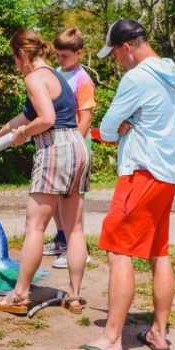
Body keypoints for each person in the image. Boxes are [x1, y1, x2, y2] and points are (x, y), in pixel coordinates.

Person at [65, 19, 175, 350]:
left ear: (126, 47)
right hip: (166, 175)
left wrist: (118, 127)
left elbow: (106, 128)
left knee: (118, 251)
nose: (116, 61)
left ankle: (111, 339)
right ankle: (159, 333)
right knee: (158, 252)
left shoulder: (136, 78)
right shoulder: (170, 71)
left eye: (115, 54)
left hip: (140, 174)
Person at [0, 29, 89, 314]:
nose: (14, 63)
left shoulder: (33, 78)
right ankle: (74, 297)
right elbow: (26, 115)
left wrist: (22, 135)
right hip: (78, 146)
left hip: (55, 149)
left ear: (23, 54)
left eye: (14, 57)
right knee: (74, 229)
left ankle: (20, 294)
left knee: (35, 227)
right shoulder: (55, 76)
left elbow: (45, 119)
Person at [46, 27, 96, 270]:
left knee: (73, 200)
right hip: (55, 144)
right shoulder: (56, 74)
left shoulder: (83, 80)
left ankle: (79, 250)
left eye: (65, 56)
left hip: (73, 146)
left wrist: (75, 144)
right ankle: (62, 239)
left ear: (78, 53)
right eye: (57, 55)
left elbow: (86, 118)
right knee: (55, 195)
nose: (60, 60)